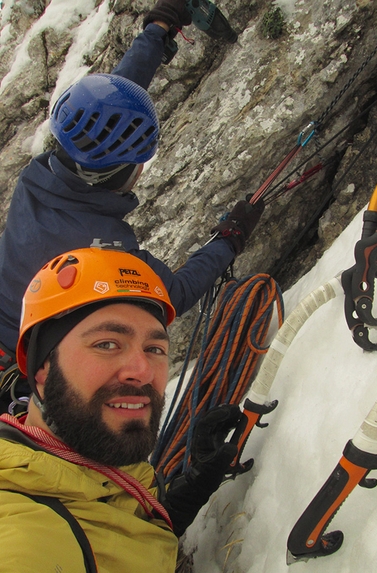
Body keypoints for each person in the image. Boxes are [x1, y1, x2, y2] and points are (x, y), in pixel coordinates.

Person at [0, 0, 264, 380]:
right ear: (120, 174)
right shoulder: (104, 248)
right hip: (25, 368)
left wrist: (157, 31)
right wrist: (230, 239)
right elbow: (174, 292)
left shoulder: (42, 172)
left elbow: (108, 105)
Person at [0, 245, 245, 572]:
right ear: (41, 368)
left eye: (155, 348)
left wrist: (176, 504)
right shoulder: (25, 544)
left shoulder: (96, 465)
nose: (142, 370)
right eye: (107, 344)